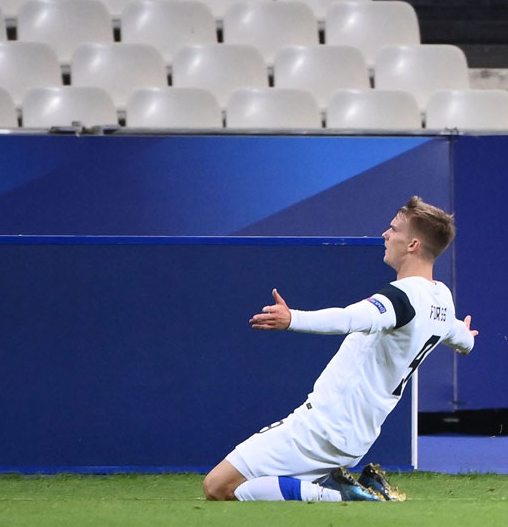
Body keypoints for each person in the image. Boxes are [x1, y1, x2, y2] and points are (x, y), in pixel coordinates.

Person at [203, 196, 477, 502]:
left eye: (394, 229)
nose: (386, 234)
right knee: (254, 487)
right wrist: (468, 339)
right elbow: (459, 336)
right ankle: (347, 488)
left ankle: (340, 494)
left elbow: (349, 318)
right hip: (358, 435)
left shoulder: (402, 298)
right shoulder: (442, 298)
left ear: (413, 244)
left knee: (216, 486)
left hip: (323, 428)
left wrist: (293, 318)